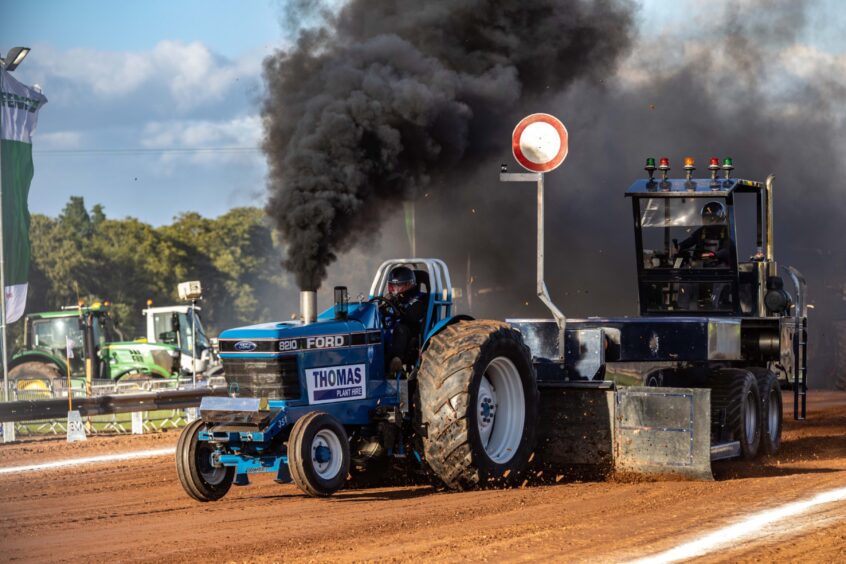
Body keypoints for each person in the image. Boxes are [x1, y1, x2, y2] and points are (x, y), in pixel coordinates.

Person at [382, 266, 427, 372]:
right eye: (392, 285)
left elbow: (412, 316)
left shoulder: (419, 299)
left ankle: (396, 360)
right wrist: (383, 306)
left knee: (400, 329)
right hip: (390, 330)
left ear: (408, 284)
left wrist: (396, 303)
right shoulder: (390, 298)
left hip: (410, 333)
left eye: (397, 285)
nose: (394, 288)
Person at [676, 201, 731, 266]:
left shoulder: (726, 231)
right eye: (705, 217)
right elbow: (690, 240)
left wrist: (715, 255)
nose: (707, 221)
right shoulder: (702, 231)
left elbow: (727, 249)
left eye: (711, 218)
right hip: (700, 269)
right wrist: (678, 246)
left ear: (719, 218)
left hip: (721, 270)